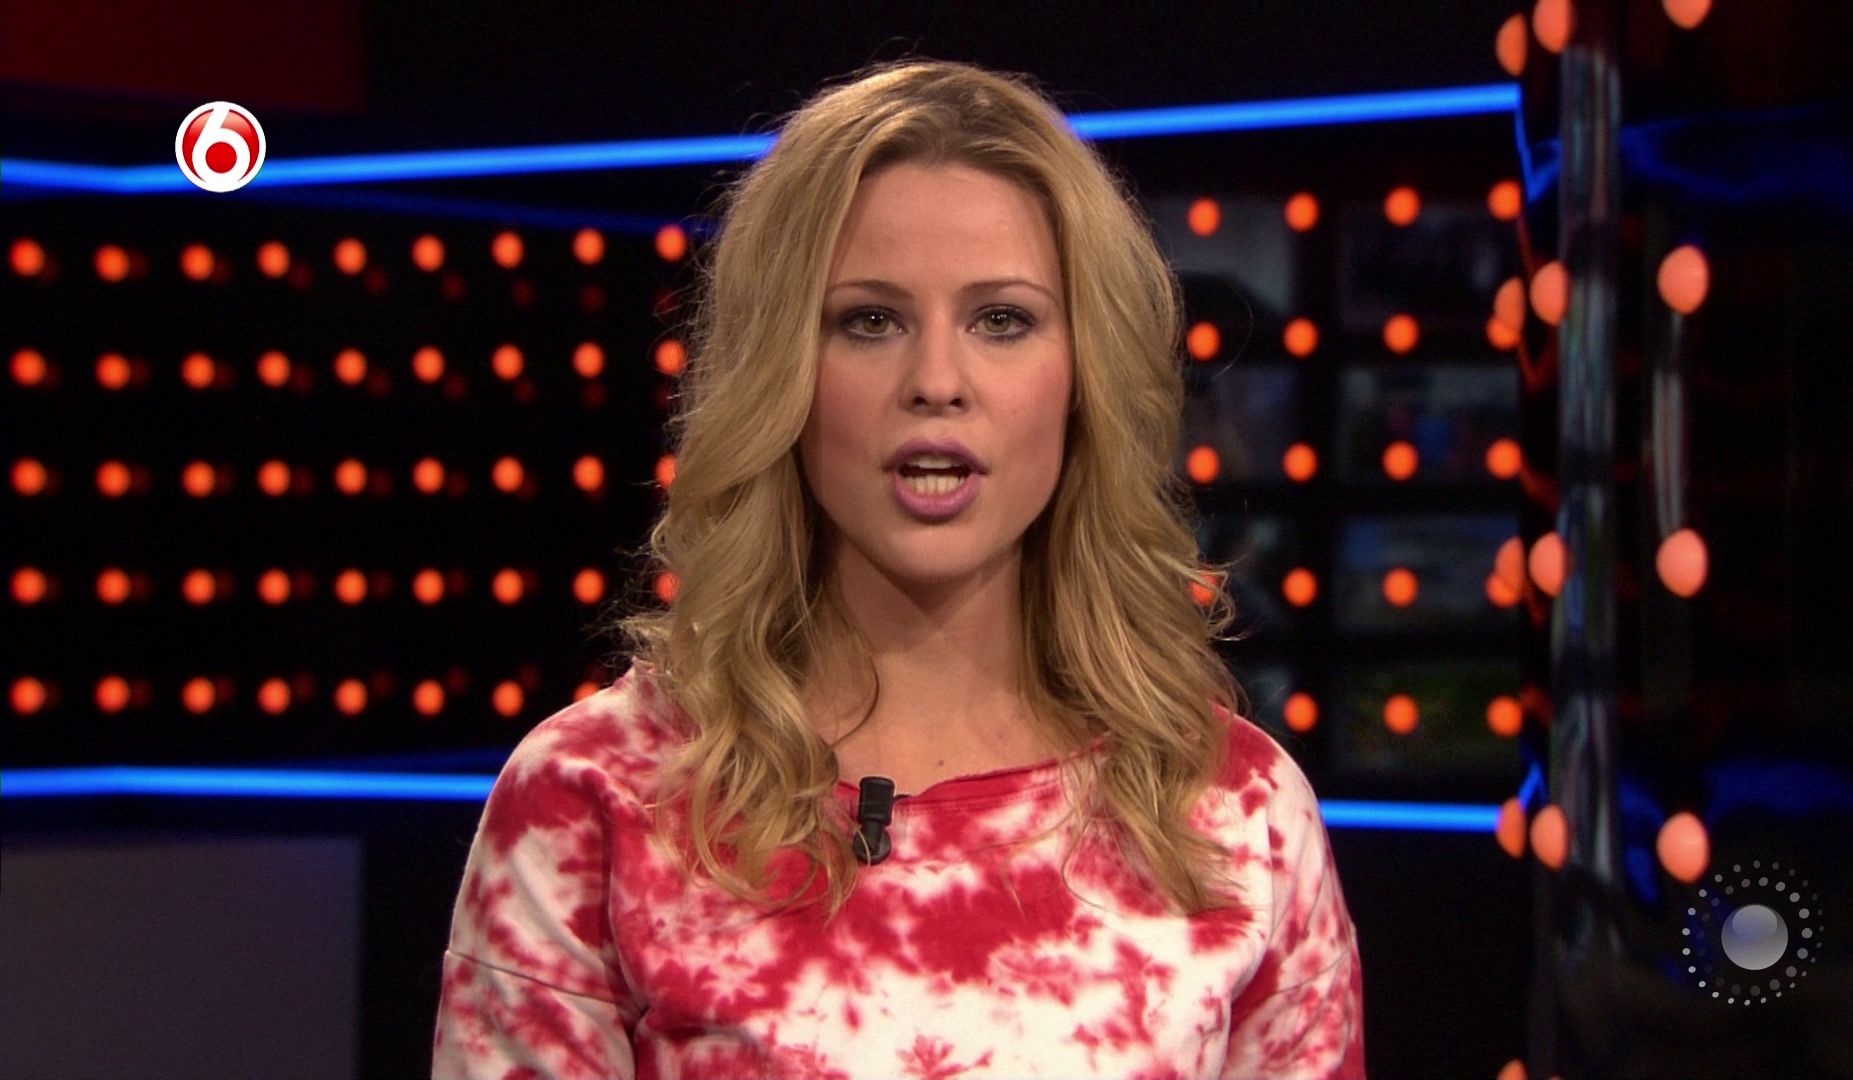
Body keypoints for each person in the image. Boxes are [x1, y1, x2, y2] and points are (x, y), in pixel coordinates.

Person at [432, 58, 1364, 1079]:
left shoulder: (1233, 813)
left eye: (1001, 320)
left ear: (1082, 376)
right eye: (869, 321)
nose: (936, 382)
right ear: (782, 372)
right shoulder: (599, 797)